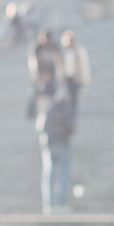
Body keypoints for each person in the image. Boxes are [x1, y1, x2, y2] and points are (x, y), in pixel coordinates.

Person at [29, 65, 77, 215]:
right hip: (63, 143)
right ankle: (61, 205)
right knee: (62, 174)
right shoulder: (66, 108)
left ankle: (49, 205)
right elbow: (71, 126)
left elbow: (41, 127)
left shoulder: (48, 109)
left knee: (49, 175)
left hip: (50, 144)